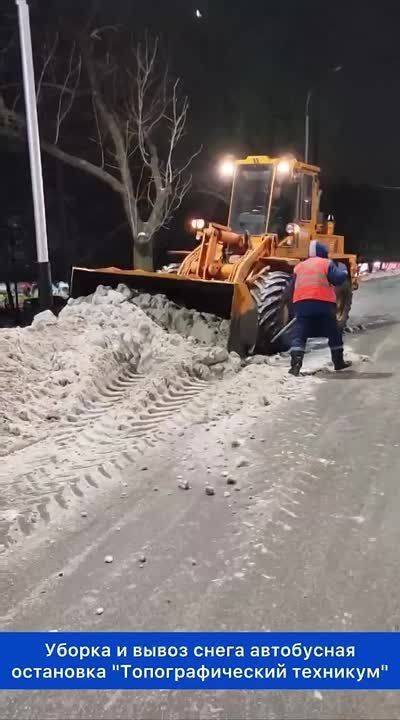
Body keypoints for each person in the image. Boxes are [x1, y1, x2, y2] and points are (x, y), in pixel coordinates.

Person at [289, 240, 352, 376]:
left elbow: (291, 287)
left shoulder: (299, 267)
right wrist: (345, 270)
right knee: (333, 332)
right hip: (323, 304)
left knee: (299, 335)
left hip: (302, 305)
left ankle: (295, 365)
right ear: (323, 252)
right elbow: (338, 279)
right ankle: (338, 362)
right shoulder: (326, 263)